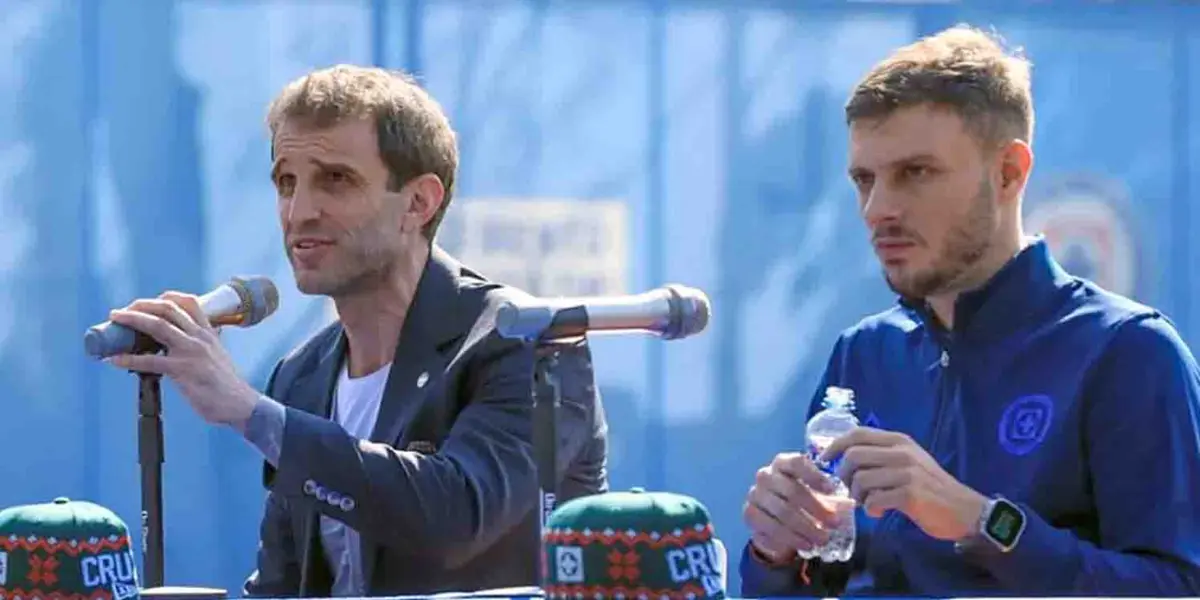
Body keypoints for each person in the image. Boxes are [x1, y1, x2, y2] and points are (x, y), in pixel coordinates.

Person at [102, 64, 610, 597]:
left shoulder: (526, 342)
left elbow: (456, 518)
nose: (300, 211)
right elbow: (280, 586)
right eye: (286, 183)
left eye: (335, 180)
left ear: (419, 202)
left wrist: (249, 412)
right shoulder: (302, 375)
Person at [740, 25, 1200, 597]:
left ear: (1009, 172)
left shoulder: (1128, 352)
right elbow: (812, 583)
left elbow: (1178, 587)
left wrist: (981, 522)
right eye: (864, 179)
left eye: (916, 173)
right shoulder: (864, 354)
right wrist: (774, 553)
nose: (877, 209)